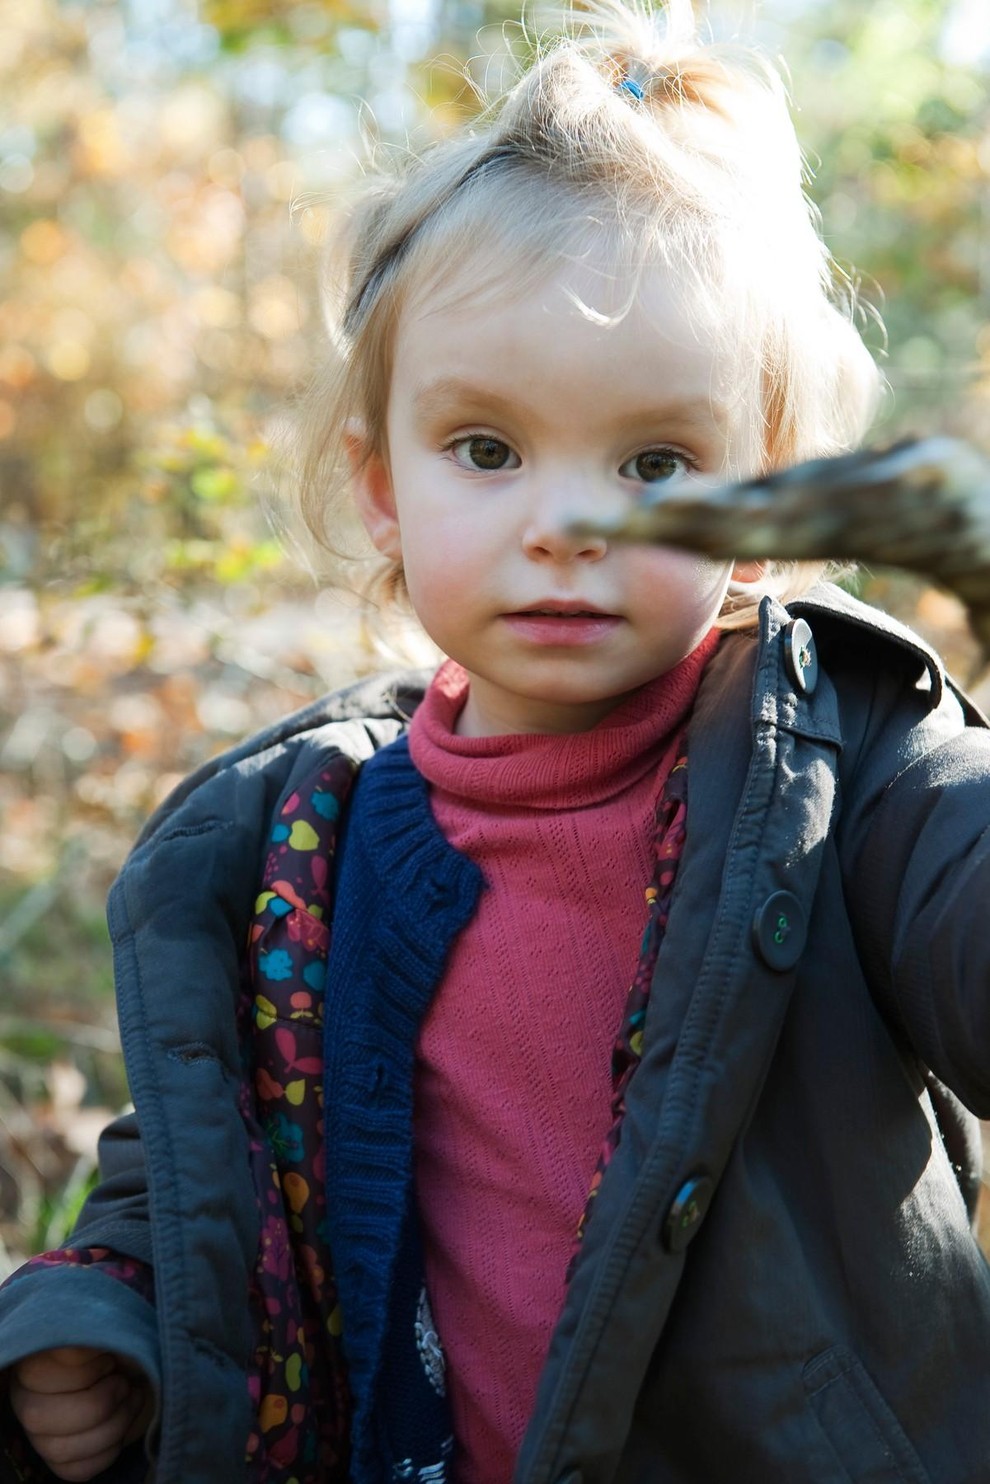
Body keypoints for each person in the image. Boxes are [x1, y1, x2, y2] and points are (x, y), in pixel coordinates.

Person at [2, 0, 989, 1480]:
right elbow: (201, 1150)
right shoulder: (300, 849)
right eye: (486, 448)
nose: (567, 525)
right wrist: (100, 1304)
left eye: (657, 461)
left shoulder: (852, 780)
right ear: (381, 483)